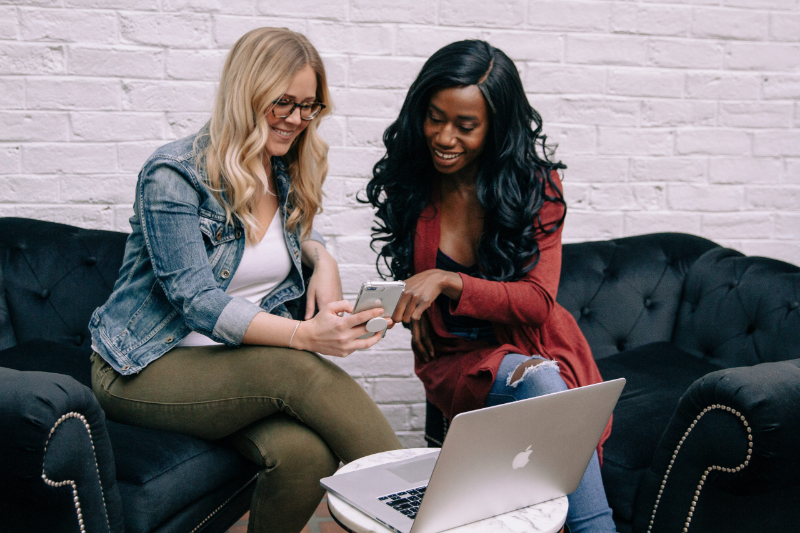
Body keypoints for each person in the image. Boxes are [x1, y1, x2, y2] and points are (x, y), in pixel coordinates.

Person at [89, 28, 401, 533]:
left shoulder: (284, 170)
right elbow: (197, 300)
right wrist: (304, 336)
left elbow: (294, 237)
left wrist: (322, 259)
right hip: (141, 367)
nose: (298, 119)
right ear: (247, 93)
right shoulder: (173, 174)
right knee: (296, 370)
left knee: (305, 454)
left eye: (309, 106)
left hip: (227, 367)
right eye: (283, 103)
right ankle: (422, 509)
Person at [364, 40, 616, 533]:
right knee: (542, 385)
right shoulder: (414, 181)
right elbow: (414, 266)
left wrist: (450, 281)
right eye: (435, 117)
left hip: (533, 347)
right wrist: (415, 310)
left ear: (496, 128)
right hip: (454, 358)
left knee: (543, 381)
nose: (444, 136)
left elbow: (537, 303)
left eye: (465, 126)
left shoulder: (534, 186)